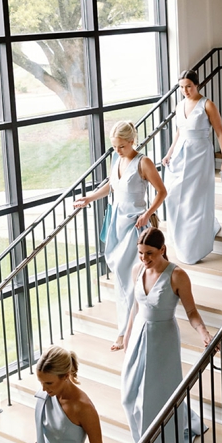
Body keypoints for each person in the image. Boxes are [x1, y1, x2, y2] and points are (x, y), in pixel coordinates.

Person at [111, 229, 210, 443]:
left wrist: (204, 333)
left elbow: (191, 311)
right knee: (128, 397)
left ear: (163, 249)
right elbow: (135, 307)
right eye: (141, 253)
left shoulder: (177, 275)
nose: (144, 259)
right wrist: (126, 337)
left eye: (150, 254)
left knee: (156, 402)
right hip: (139, 338)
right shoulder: (137, 271)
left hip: (162, 340)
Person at [74, 121, 166, 318]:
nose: (118, 150)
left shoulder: (143, 162)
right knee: (121, 277)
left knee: (132, 274)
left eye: (122, 146)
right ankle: (126, 324)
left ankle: (140, 318)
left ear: (132, 141)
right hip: (118, 223)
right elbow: (112, 186)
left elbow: (162, 192)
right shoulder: (117, 160)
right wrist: (89, 198)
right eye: (114, 146)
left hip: (136, 224)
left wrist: (147, 214)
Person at [160, 70, 222, 264]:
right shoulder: (179, 105)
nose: (185, 90)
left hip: (200, 154)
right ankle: (181, 237)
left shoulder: (207, 104)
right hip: (181, 154)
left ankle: (195, 244)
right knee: (173, 195)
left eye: (188, 86)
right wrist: (169, 152)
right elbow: (178, 132)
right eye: (182, 87)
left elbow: (220, 133)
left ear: (197, 84)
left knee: (195, 197)